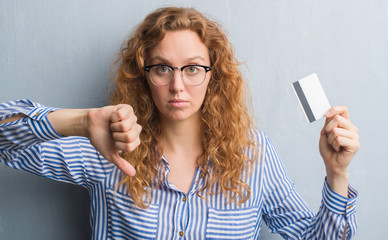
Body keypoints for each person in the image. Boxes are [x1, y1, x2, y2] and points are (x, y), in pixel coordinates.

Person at [0, 6, 359, 240]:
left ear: (213, 76)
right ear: (143, 75)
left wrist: (337, 175)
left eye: (192, 68)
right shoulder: (107, 147)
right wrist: (80, 120)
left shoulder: (255, 155)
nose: (177, 85)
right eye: (162, 68)